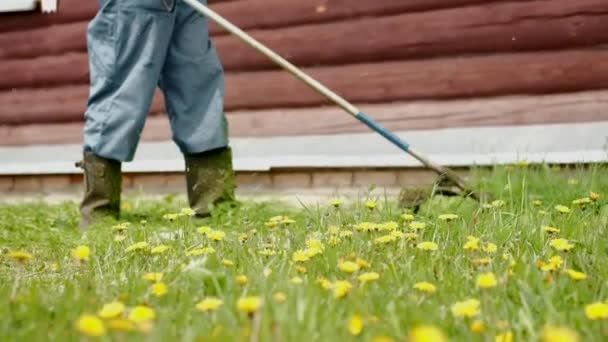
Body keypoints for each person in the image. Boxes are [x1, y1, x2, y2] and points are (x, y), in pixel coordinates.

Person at [77, 0, 235, 230]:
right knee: (119, 95)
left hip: (188, 5)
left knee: (199, 89)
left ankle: (216, 211)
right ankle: (99, 215)